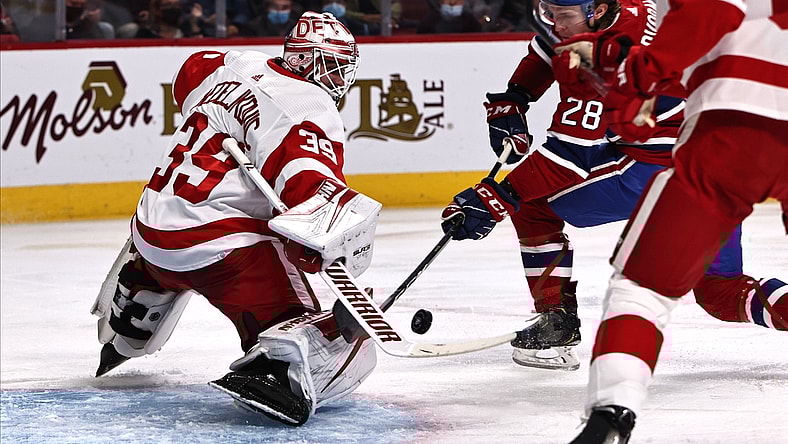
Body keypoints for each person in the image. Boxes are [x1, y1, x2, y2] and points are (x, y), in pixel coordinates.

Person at [440, 0, 787, 372]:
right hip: (716, 164)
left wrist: (498, 196)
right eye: (548, 10)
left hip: (658, 171)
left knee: (532, 207)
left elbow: (570, 159)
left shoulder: (607, 60)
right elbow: (547, 47)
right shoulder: (626, 9)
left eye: (564, 15)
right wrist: (517, 95)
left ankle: (554, 331)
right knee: (722, 292)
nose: (553, 22)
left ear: (598, 10)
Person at [92, 11, 379, 427]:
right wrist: (332, 248)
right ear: (305, 61)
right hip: (223, 257)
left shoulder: (230, 64)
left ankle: (136, 306)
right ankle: (280, 369)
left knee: (173, 229)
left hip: (150, 235)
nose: (338, 79)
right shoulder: (308, 107)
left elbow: (189, 73)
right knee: (344, 346)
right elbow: (311, 190)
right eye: (332, 66)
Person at [543, 0, 787, 441]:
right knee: (718, 291)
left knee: (643, 286)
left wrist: (630, 80)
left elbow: (706, 19)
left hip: (732, 136)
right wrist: (615, 61)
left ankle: (612, 410)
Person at [418, 0, 482, 33]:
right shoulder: (429, 22)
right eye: (448, 0)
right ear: (441, 1)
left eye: (457, 0)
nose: (452, 2)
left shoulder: (471, 22)